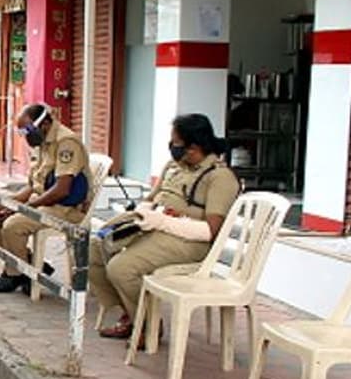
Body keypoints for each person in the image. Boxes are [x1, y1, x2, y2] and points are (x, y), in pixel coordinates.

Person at [91, 114, 240, 339]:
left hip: (189, 241)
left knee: (121, 268)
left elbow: (210, 231)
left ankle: (148, 326)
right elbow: (152, 197)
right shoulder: (174, 167)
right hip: (152, 226)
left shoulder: (220, 177)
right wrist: (145, 212)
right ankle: (130, 313)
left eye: (176, 143)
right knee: (94, 247)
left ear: (194, 147)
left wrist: (163, 221)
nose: (172, 148)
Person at [0, 104, 94, 295]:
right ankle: (29, 264)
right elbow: (33, 186)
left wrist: (24, 207)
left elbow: (62, 190)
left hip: (65, 208)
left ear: (44, 124)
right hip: (43, 202)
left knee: (13, 225)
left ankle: (14, 273)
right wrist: (10, 202)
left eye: (27, 130)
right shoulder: (41, 144)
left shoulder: (66, 142)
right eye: (21, 132)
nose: (25, 136)